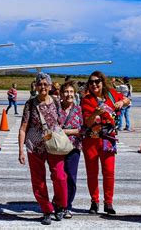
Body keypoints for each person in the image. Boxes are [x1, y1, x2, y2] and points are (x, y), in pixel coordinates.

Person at [18, 72, 67, 225]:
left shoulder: (56, 102)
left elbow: (62, 122)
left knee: (59, 176)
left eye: (45, 84)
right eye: (40, 84)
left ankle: (60, 205)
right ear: (36, 86)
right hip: (35, 146)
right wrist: (21, 149)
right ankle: (46, 210)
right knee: (38, 181)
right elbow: (23, 128)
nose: (43, 87)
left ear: (50, 86)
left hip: (53, 145)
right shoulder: (30, 104)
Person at [81, 71, 129, 215]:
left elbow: (127, 100)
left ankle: (108, 202)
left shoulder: (112, 95)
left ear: (103, 82)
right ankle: (94, 201)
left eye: (97, 81)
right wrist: (95, 113)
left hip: (108, 139)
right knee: (92, 172)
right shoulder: (87, 99)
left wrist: (122, 102)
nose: (94, 84)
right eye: (91, 82)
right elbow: (88, 122)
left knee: (109, 172)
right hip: (91, 140)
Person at [58, 80, 83, 219]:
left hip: (74, 148)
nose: (69, 94)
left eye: (71, 92)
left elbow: (83, 129)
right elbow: (53, 129)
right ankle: (59, 203)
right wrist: (73, 131)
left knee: (71, 178)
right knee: (59, 177)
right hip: (58, 148)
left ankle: (67, 205)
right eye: (66, 91)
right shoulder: (56, 109)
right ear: (61, 94)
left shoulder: (79, 110)